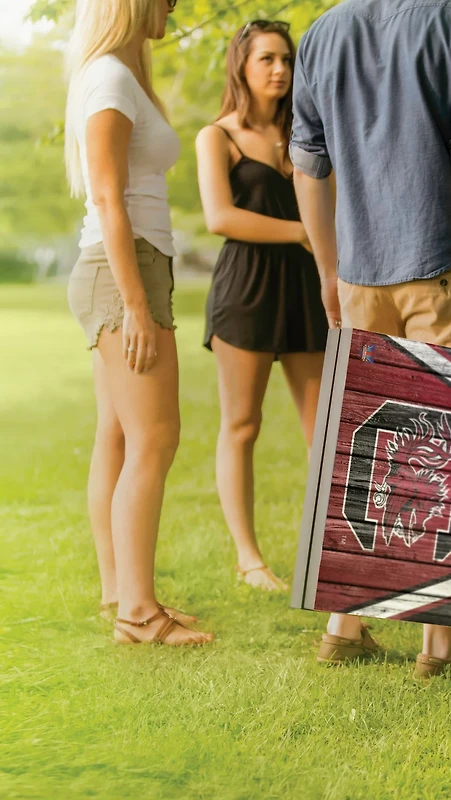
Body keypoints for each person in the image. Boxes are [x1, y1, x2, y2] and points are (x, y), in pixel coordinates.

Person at [291, 0, 451, 676]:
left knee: (368, 443)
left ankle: (345, 629)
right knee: (443, 449)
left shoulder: (322, 34)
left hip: (361, 273)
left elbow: (307, 163)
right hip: (441, 263)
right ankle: (438, 649)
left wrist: (328, 270)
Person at [64, 0, 213, 645]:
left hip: (128, 266)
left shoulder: (118, 75)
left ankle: (120, 598)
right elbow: (105, 196)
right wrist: (135, 306)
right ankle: (138, 615)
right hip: (122, 272)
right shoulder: (109, 79)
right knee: (154, 437)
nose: (175, 4)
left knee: (120, 439)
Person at [195, 21, 328, 591]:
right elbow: (219, 218)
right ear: (242, 67)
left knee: (324, 431)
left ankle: (331, 554)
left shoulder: (309, 134)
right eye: (266, 59)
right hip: (245, 292)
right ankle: (249, 560)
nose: (279, 69)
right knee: (242, 425)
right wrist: (301, 230)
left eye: (286, 59)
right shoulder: (217, 136)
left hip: (307, 290)